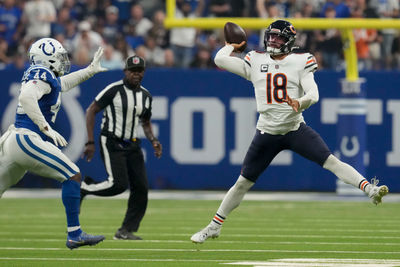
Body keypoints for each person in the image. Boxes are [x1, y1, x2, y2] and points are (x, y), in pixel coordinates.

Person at [190, 20, 389, 244]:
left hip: (295, 129)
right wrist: (232, 44)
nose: (273, 41)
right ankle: (214, 226)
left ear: (289, 42)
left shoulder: (300, 61)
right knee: (242, 183)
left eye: (279, 37)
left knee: (332, 161)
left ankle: (370, 189)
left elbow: (313, 94)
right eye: (271, 36)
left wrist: (300, 102)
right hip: (266, 132)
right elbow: (219, 59)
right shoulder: (256, 60)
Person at [0, 37, 107, 249]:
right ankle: (74, 234)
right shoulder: (42, 73)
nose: (62, 60)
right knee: (72, 175)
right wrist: (45, 128)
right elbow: (26, 98)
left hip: (16, 141)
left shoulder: (45, 76)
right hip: (27, 139)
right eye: (58, 57)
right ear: (46, 59)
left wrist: (90, 70)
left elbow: (62, 84)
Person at [80, 55, 162, 240]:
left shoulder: (146, 96)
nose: (136, 74)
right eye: (133, 71)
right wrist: (90, 141)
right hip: (112, 141)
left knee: (141, 188)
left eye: (139, 71)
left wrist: (153, 140)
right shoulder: (114, 90)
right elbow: (91, 110)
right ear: (125, 71)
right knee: (118, 185)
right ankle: (84, 188)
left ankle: (125, 230)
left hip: (133, 144)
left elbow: (145, 122)